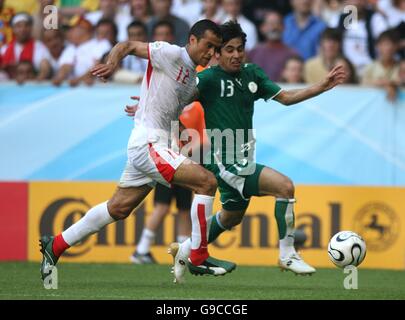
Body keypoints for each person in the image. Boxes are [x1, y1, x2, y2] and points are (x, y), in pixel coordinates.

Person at [39, 19, 236, 284]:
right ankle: (198, 256)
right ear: (192, 40)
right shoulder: (171, 53)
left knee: (118, 208)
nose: (211, 53)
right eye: (208, 46)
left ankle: (56, 245)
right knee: (206, 182)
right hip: (149, 143)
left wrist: (145, 106)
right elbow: (127, 45)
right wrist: (112, 63)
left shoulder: (192, 78)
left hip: (156, 144)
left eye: (215, 48)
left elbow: (168, 104)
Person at [167, 21, 346, 283]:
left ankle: (184, 251)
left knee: (231, 217)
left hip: (244, 159)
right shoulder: (207, 79)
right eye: (229, 49)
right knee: (284, 187)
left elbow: (285, 97)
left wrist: (321, 86)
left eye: (240, 48)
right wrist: (173, 129)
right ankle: (287, 254)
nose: (236, 55)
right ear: (217, 53)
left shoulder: (253, 74)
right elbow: (174, 102)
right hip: (224, 162)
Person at [130, 101, 208, 264]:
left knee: (185, 209)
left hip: (186, 164)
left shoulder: (197, 109)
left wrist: (189, 152)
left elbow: (200, 137)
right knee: (162, 207)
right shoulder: (169, 104)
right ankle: (141, 251)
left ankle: (182, 254)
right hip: (165, 162)